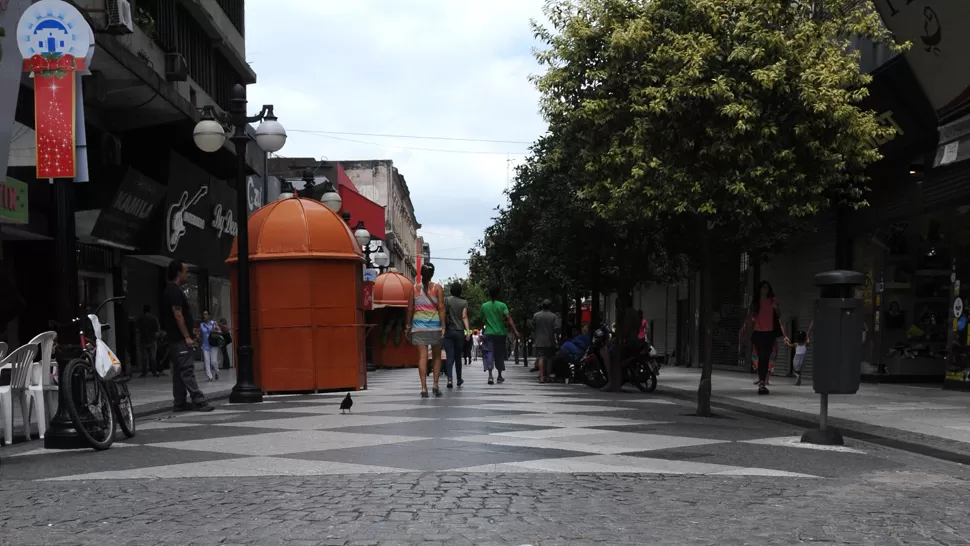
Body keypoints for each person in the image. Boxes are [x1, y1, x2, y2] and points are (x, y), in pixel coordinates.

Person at [162, 260, 214, 412]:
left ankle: (180, 402)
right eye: (186, 271)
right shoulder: (174, 291)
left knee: (178, 371)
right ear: (178, 273)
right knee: (186, 369)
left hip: (175, 339)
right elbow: (178, 315)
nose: (188, 274)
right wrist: (187, 337)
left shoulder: (171, 290)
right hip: (179, 339)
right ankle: (198, 400)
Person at [740, 280, 789, 395]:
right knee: (761, 356)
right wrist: (745, 333)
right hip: (758, 332)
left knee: (765, 357)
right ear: (760, 290)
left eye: (767, 288)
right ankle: (762, 381)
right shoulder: (756, 303)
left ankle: (762, 382)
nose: (765, 290)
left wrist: (775, 307)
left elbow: (779, 315)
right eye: (763, 288)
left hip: (769, 333)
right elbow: (749, 319)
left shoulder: (772, 300)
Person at [406, 262, 446, 398]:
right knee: (436, 356)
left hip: (419, 327)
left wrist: (408, 326)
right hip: (435, 326)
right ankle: (435, 384)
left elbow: (410, 309)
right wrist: (444, 327)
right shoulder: (438, 288)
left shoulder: (414, 289)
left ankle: (424, 388)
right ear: (432, 274)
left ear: (421, 273)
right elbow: (441, 308)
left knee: (422, 357)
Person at [480, 286, 520, 385]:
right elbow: (508, 317)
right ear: (498, 294)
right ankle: (499, 376)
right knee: (499, 355)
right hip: (500, 334)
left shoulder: (484, 306)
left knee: (489, 353)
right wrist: (515, 331)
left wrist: (482, 331)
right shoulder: (502, 305)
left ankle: (490, 376)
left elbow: (481, 319)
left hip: (488, 333)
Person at [443, 281, 471, 388]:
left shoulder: (447, 300)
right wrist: (467, 331)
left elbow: (443, 313)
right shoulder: (464, 302)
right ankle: (459, 379)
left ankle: (449, 380)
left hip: (449, 331)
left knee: (449, 356)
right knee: (458, 357)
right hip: (459, 332)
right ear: (460, 291)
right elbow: (464, 317)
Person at [533, 299, 560, 383]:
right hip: (550, 341)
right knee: (549, 359)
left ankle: (541, 377)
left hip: (539, 341)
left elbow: (533, 327)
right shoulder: (553, 316)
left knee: (540, 358)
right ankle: (547, 377)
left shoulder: (536, 315)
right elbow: (557, 328)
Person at [135, 305, 161, 377]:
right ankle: (154, 372)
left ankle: (144, 372)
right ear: (150, 310)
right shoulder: (154, 319)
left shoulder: (140, 319)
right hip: (152, 340)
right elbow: (158, 330)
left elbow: (137, 330)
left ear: (143, 310)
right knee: (153, 357)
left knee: (144, 357)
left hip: (143, 340)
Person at [199, 310, 221, 382]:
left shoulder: (214, 323)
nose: (204, 316)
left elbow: (220, 332)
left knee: (214, 361)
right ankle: (210, 376)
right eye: (203, 314)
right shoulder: (201, 325)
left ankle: (217, 371)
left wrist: (215, 330)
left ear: (209, 315)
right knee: (207, 361)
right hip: (205, 345)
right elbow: (200, 334)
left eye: (206, 314)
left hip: (214, 345)